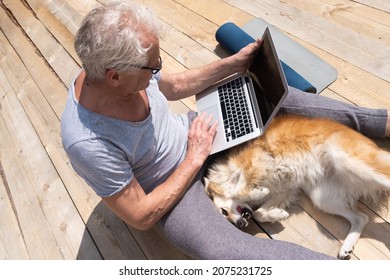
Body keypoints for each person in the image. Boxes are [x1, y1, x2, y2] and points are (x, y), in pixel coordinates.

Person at [61, 0, 390, 259]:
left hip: (200, 134)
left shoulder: (115, 64)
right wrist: (193, 157)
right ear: (114, 76)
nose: (158, 69)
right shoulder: (87, 143)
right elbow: (140, 215)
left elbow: (173, 86)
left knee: (277, 97)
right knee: (223, 253)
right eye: (152, 66)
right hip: (170, 189)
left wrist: (232, 64)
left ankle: (383, 121)